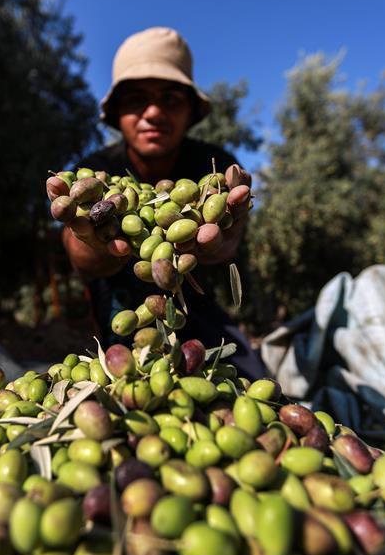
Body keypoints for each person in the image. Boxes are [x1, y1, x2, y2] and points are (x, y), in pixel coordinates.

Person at [63, 27, 265, 379]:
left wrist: (228, 241)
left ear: (190, 111)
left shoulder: (214, 167)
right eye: (136, 98)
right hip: (118, 310)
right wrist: (92, 250)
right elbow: (78, 255)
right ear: (118, 113)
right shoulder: (97, 174)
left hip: (196, 307)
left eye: (170, 99)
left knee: (251, 380)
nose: (154, 112)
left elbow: (229, 242)